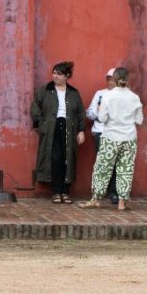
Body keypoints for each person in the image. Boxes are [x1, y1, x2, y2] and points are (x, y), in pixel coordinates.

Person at [81, 66, 143, 211]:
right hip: (129, 138)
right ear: (127, 80)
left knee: (102, 168)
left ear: (114, 79)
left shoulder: (108, 96)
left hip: (110, 138)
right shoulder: (134, 97)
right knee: (126, 169)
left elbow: (102, 118)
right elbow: (139, 120)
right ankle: (122, 202)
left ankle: (95, 199)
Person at [30, 60, 86, 203]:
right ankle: (56, 192)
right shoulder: (45, 90)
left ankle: (65, 192)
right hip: (51, 128)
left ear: (67, 76)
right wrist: (42, 124)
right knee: (54, 158)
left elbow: (80, 113)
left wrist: (81, 131)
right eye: (54, 73)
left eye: (59, 74)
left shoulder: (74, 93)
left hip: (69, 129)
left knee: (67, 159)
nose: (55, 76)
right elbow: (35, 107)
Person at [86, 68, 120, 205]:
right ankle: (97, 194)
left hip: (117, 133)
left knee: (116, 164)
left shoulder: (124, 95)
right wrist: (97, 115)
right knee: (102, 164)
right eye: (108, 79)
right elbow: (90, 113)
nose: (109, 82)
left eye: (112, 79)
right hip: (100, 133)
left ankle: (114, 193)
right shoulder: (100, 94)